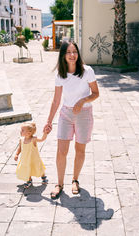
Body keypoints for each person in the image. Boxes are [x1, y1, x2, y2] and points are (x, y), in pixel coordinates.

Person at [43, 41, 99, 199]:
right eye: (68, 52)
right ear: (63, 55)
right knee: (61, 151)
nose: (72, 55)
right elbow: (56, 100)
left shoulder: (87, 71)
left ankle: (75, 180)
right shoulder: (60, 75)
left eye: (74, 51)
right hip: (66, 114)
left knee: (80, 150)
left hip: (84, 114)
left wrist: (82, 101)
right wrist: (48, 122)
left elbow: (95, 93)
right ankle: (59, 184)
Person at [14, 122, 47, 188]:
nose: (21, 131)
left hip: (34, 158)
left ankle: (43, 176)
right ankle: (29, 180)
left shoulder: (33, 139)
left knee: (38, 168)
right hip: (25, 159)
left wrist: (45, 133)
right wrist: (16, 154)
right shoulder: (21, 139)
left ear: (29, 133)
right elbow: (20, 148)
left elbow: (42, 139)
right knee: (26, 169)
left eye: (23, 130)